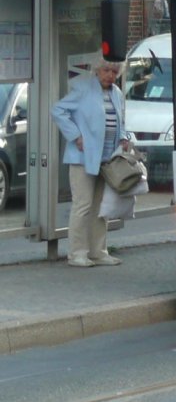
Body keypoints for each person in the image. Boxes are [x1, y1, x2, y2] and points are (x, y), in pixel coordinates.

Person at [51, 59, 132, 267]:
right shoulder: (83, 88)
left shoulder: (117, 94)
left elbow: (120, 121)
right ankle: (77, 253)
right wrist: (75, 135)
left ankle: (99, 251)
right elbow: (58, 110)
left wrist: (123, 137)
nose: (110, 75)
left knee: (100, 207)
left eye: (114, 72)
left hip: (107, 159)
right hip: (82, 157)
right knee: (83, 205)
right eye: (106, 70)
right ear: (97, 70)